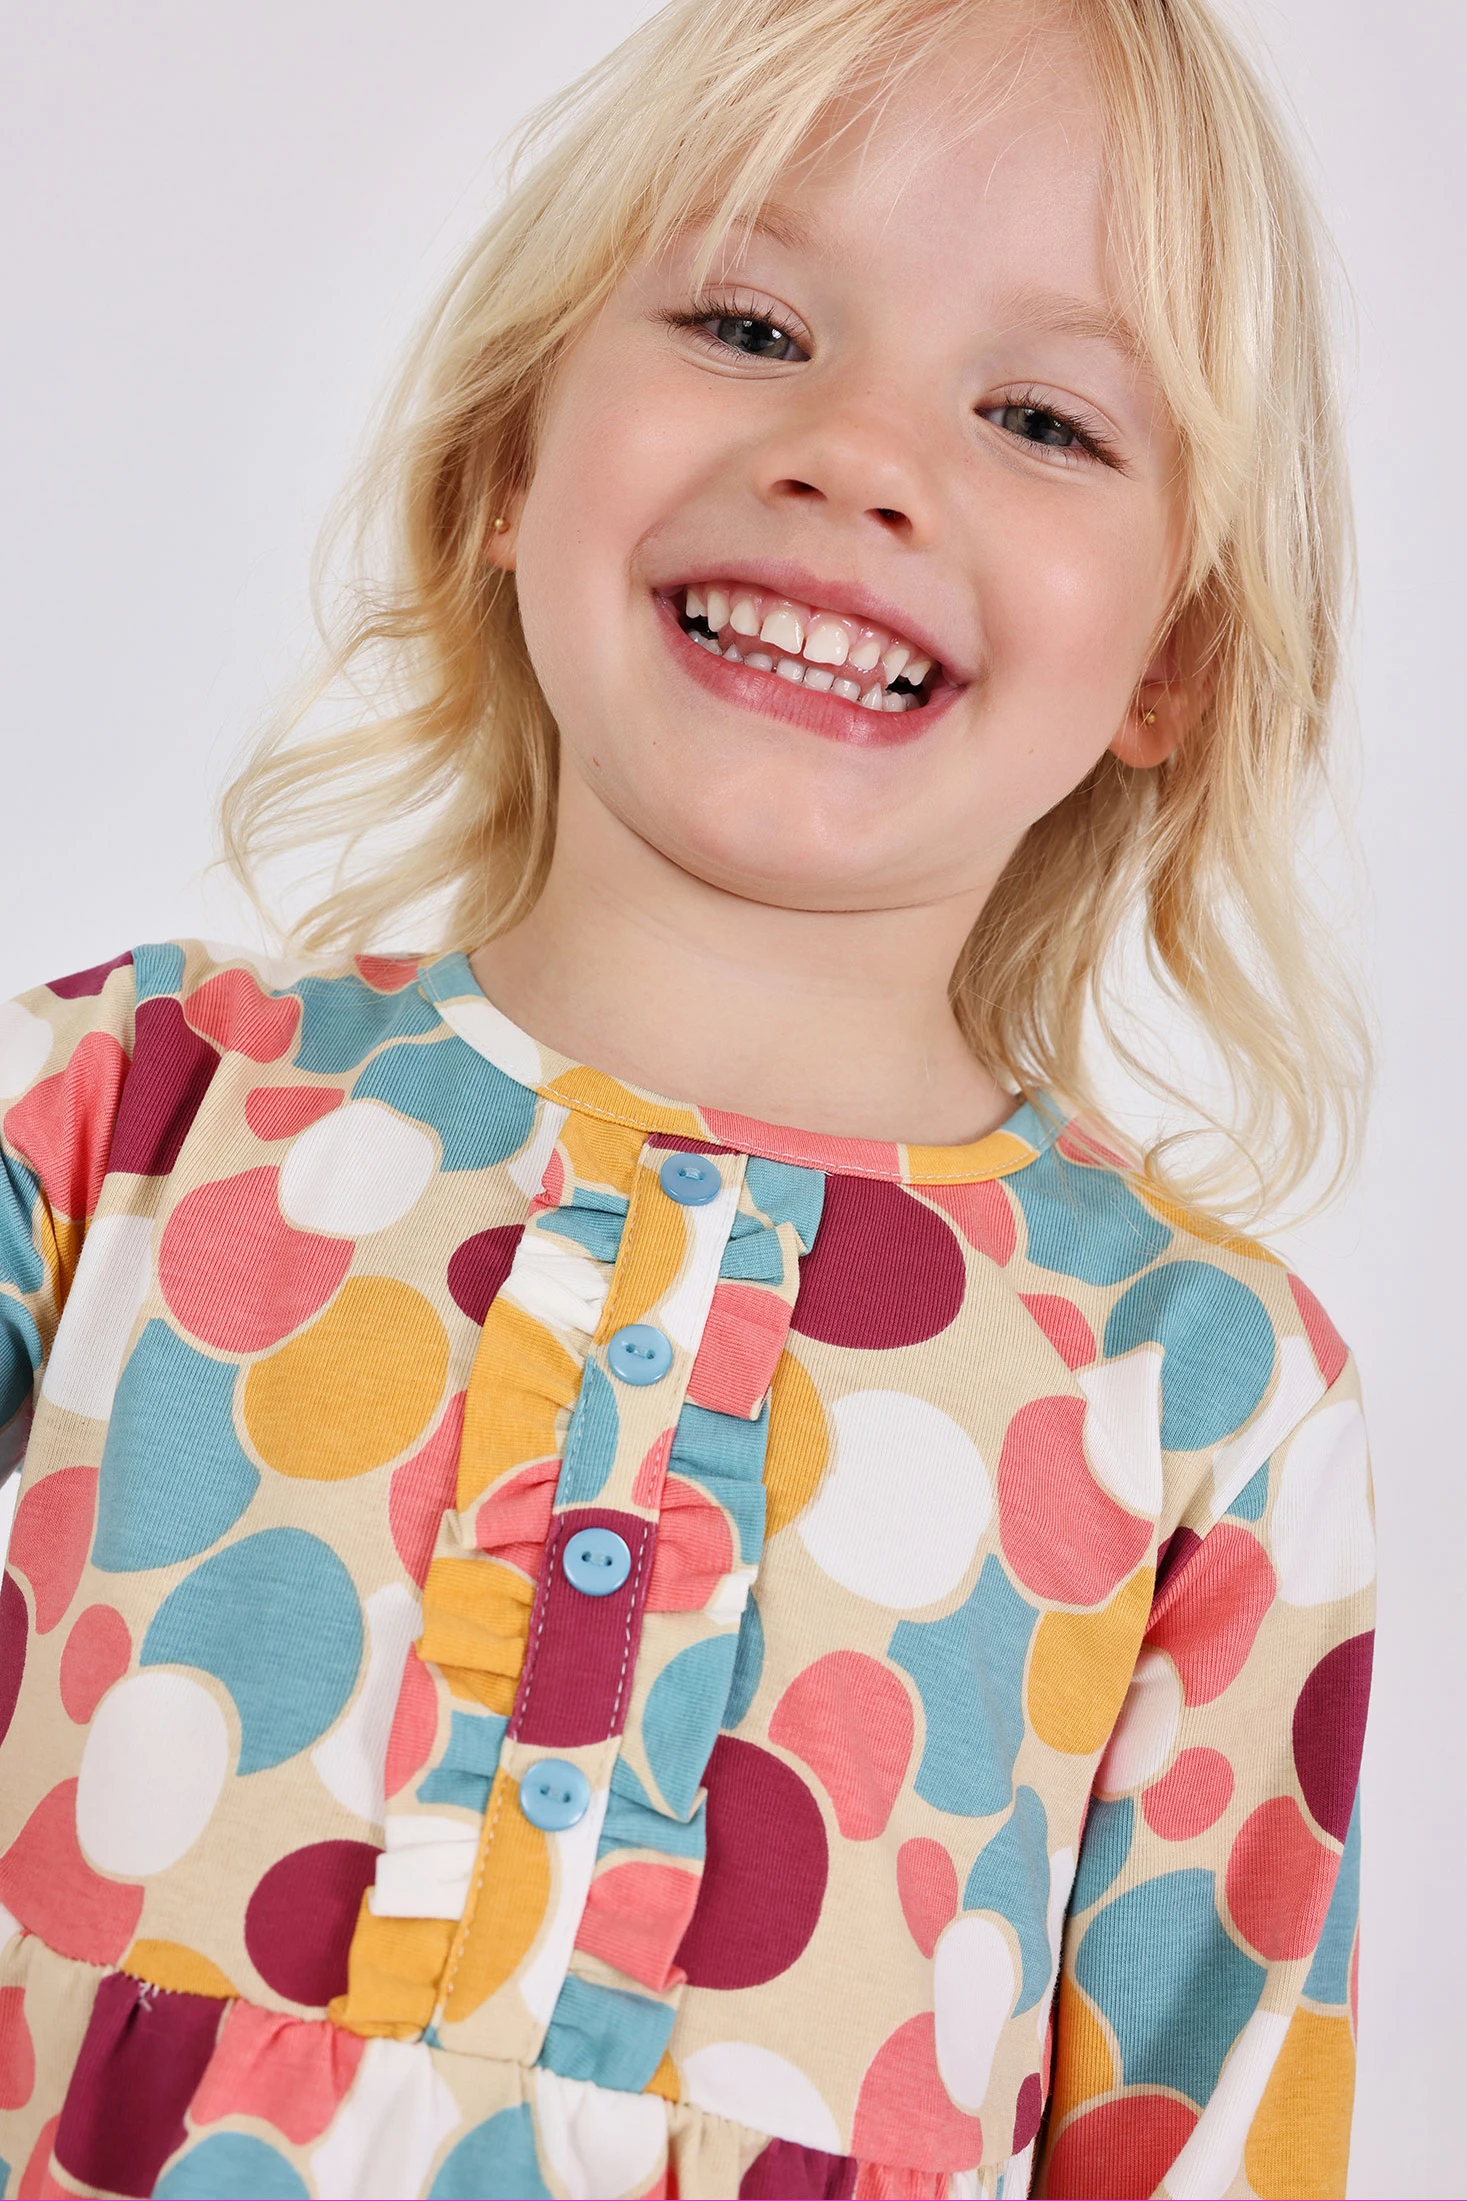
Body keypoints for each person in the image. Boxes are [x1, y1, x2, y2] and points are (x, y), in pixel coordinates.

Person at [0, 0, 1375, 2194]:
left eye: (1040, 417)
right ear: (505, 465)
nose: (860, 453)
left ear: (1172, 662)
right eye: (748, 324)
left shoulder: (1201, 1389)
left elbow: (1207, 2130)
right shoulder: (111, 1113)